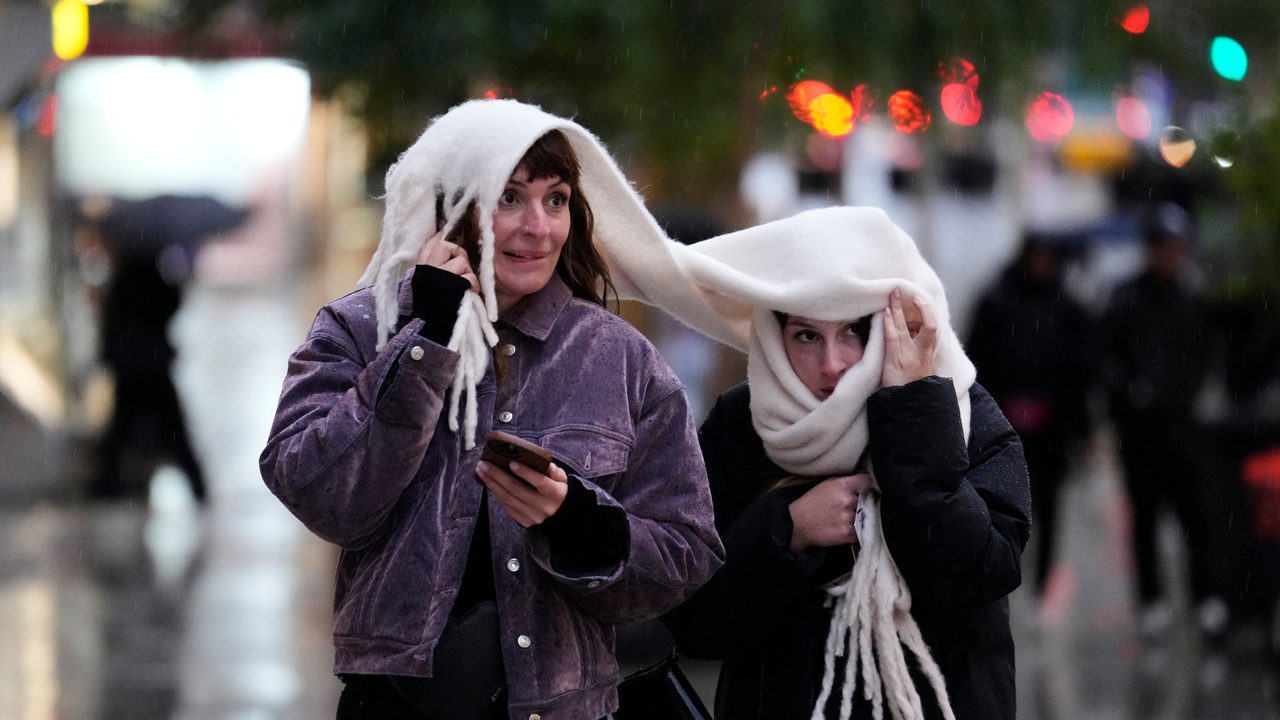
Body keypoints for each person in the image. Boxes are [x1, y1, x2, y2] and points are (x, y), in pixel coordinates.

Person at [259, 99, 724, 720]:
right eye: (509, 198)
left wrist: (585, 528)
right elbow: (319, 495)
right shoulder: (359, 327)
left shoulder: (619, 359)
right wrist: (423, 341)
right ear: (452, 211)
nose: (539, 227)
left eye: (556, 199)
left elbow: (687, 554)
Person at [597, 207, 1031, 720]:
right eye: (806, 336)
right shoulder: (743, 424)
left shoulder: (957, 412)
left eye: (853, 332)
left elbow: (976, 576)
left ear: (891, 325)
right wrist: (788, 528)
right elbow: (698, 621)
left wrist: (912, 414)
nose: (832, 365)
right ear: (774, 335)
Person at [1099, 202, 1229, 641]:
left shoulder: (1192, 301)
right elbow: (1105, 362)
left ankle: (1207, 598)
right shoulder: (1126, 300)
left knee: (1198, 515)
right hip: (1140, 436)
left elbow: (1206, 359)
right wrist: (1130, 393)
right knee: (1146, 518)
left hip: (1185, 432)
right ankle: (1152, 600)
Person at [966, 232, 1095, 604]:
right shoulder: (996, 303)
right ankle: (1003, 581)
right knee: (999, 507)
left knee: (1049, 509)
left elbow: (1080, 375)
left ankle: (1040, 588)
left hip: (1051, 432)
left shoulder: (1068, 308)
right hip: (1001, 431)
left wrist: (1080, 429)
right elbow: (975, 365)